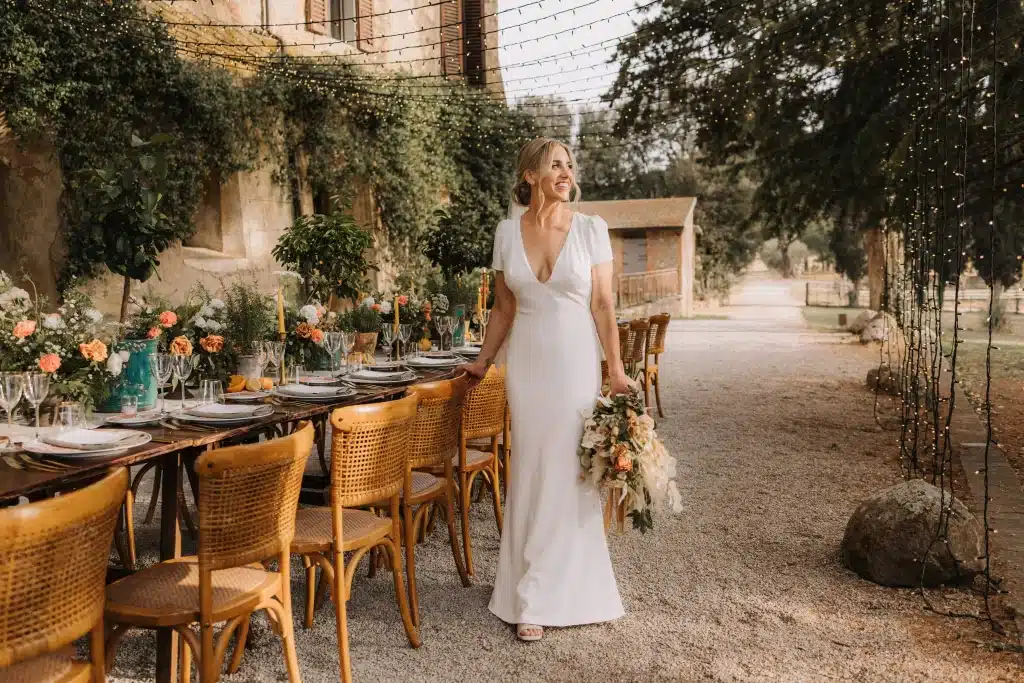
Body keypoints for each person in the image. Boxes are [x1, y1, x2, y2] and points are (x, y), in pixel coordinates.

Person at [459, 137, 632, 642]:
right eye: (555, 163)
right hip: (528, 366)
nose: (566, 171)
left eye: (569, 164)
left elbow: (602, 304)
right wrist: (481, 363)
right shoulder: (506, 232)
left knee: (569, 468)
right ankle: (524, 587)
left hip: (576, 362)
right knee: (532, 466)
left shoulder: (591, 230)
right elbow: (503, 308)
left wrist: (615, 371)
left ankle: (552, 592)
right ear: (530, 174)